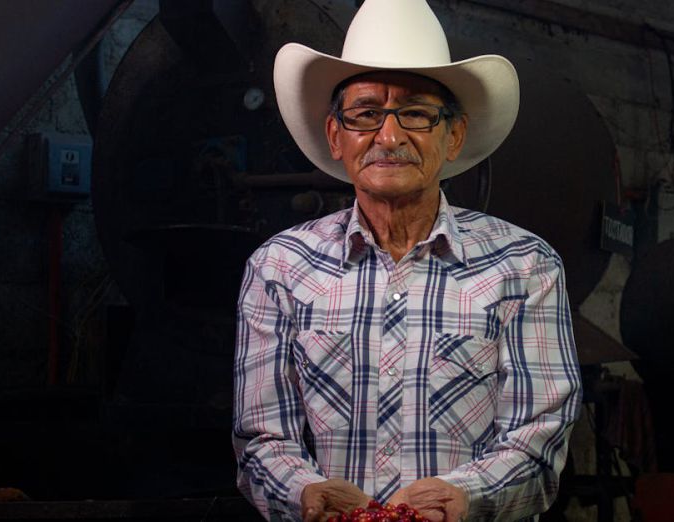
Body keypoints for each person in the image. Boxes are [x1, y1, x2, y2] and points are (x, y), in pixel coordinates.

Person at [232, 1, 581, 520]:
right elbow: (261, 439)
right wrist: (305, 493)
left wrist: (463, 497)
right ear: (336, 136)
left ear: (453, 136)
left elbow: (539, 440)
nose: (389, 137)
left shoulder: (524, 267)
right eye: (366, 113)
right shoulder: (279, 268)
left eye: (416, 114)